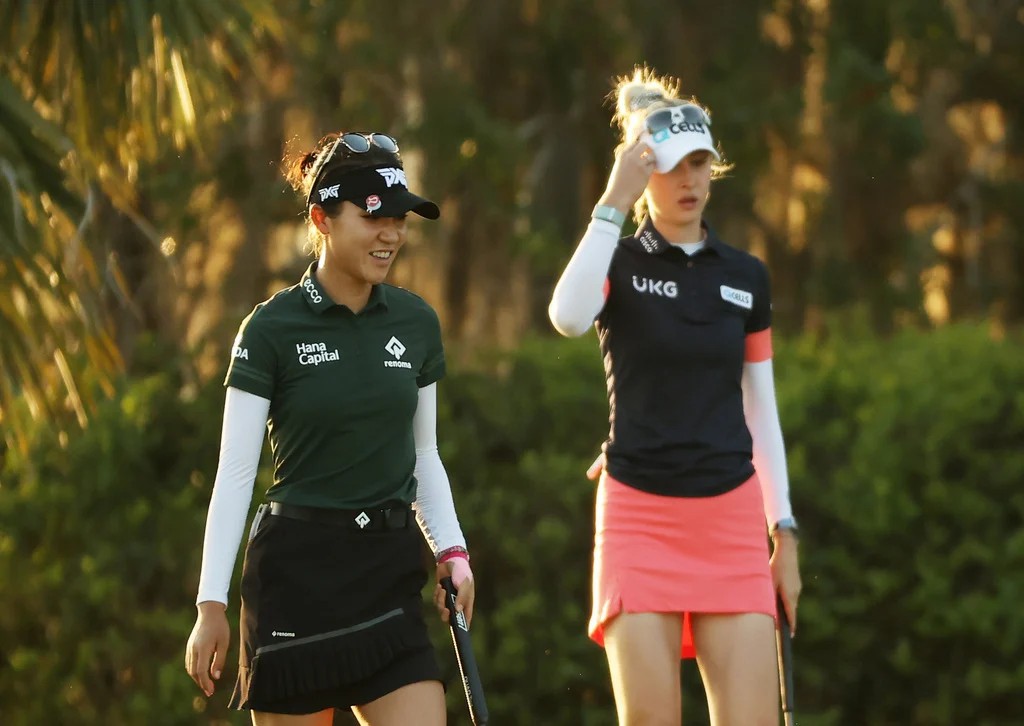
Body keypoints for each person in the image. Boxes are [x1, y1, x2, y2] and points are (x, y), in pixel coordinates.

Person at [184, 131, 475, 726]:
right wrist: (210, 602)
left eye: (398, 218)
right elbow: (235, 473)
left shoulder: (416, 322)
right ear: (321, 218)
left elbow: (423, 455)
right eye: (372, 217)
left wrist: (451, 549)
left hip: (387, 573)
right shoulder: (270, 329)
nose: (390, 234)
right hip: (297, 580)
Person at [548, 68, 802, 726]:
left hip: (731, 521)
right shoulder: (618, 261)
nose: (687, 180)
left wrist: (784, 533)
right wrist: (613, 199)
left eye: (698, 163)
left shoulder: (746, 276)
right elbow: (568, 316)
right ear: (642, 169)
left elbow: (761, 412)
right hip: (639, 518)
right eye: (668, 165)